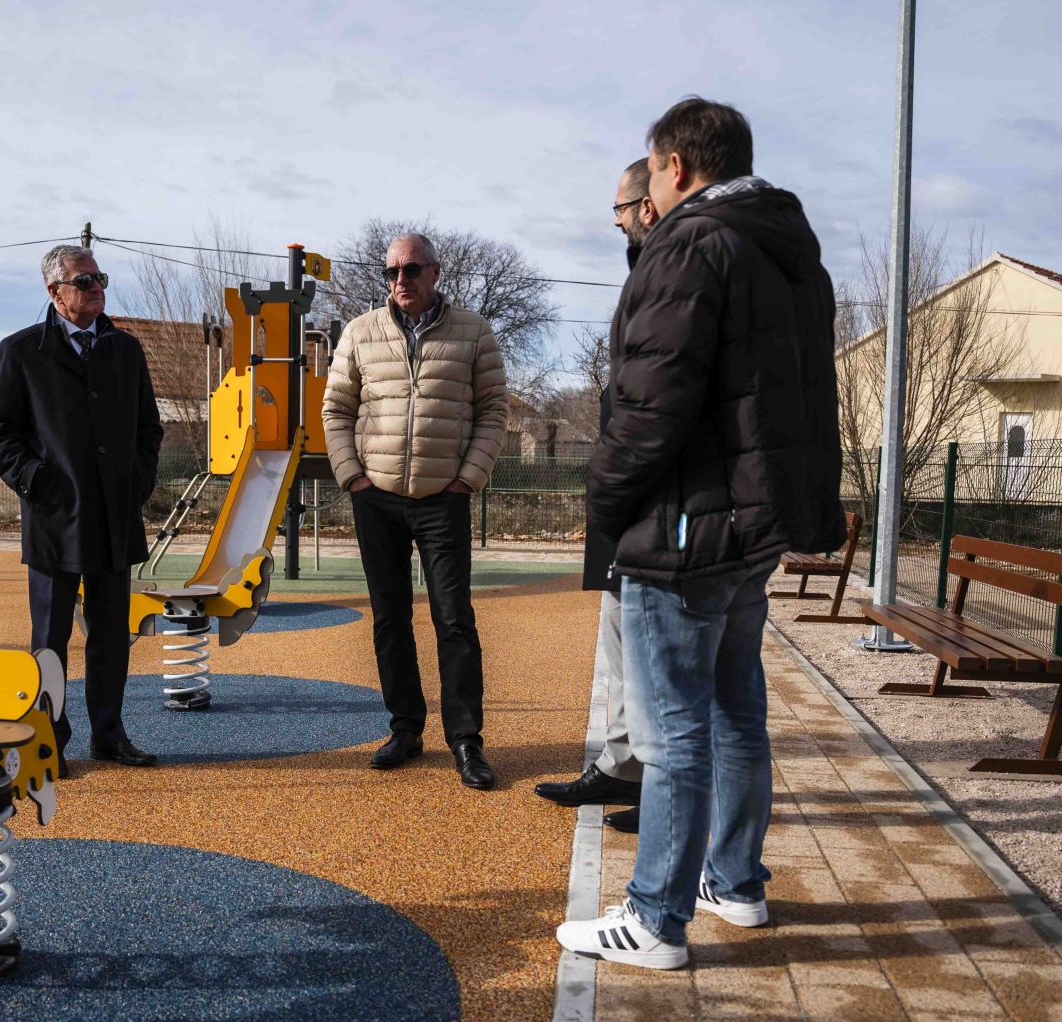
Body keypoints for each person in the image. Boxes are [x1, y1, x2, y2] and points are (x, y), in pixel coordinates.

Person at [557, 98, 845, 969]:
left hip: (684, 527)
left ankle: (655, 918)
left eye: (650, 171)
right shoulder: (792, 252)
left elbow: (650, 403)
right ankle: (737, 882)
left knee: (674, 728)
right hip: (751, 526)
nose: (646, 189)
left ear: (677, 166)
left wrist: (604, 500)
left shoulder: (690, 244)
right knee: (735, 710)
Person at [321, 233, 509, 790]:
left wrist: (467, 479)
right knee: (389, 619)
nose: (400, 280)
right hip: (375, 497)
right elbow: (335, 409)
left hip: (442, 498)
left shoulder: (473, 331)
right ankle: (405, 728)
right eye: (392, 271)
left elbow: (494, 410)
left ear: (435, 272)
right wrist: (352, 477)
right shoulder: (360, 332)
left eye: (411, 269)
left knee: (454, 621)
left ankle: (466, 740)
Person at [0, 245, 165, 776]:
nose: (95, 287)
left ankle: (109, 735)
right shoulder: (20, 352)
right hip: (55, 520)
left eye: (99, 278)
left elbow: (147, 430)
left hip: (114, 516)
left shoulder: (125, 351)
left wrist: (135, 484)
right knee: (50, 638)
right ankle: (49, 742)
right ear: (54, 292)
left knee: (111, 633)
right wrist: (39, 483)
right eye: (83, 281)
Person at [533, 158, 659, 828]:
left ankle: (654, 789)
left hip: (649, 507)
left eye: (620, 207)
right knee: (619, 645)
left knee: (649, 659)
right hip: (624, 502)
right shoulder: (646, 271)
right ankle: (622, 769)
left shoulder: (672, 271)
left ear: (648, 203)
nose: (614, 220)